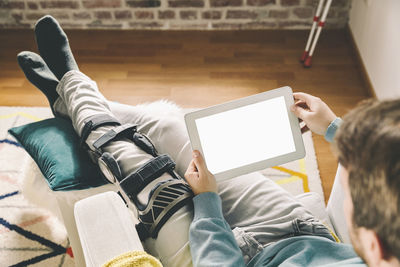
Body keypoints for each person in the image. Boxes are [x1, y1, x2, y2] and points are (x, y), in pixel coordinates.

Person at [16, 15, 378, 266]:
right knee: (174, 129)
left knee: (132, 161)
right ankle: (74, 98)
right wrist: (332, 127)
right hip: (302, 232)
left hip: (222, 258)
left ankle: (72, 87)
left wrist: (207, 201)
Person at [186, 93, 400, 266]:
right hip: (307, 234)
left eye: (348, 196)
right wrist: (332, 127)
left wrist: (206, 201)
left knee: (170, 134)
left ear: (374, 246)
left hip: (245, 253)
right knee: (183, 140)